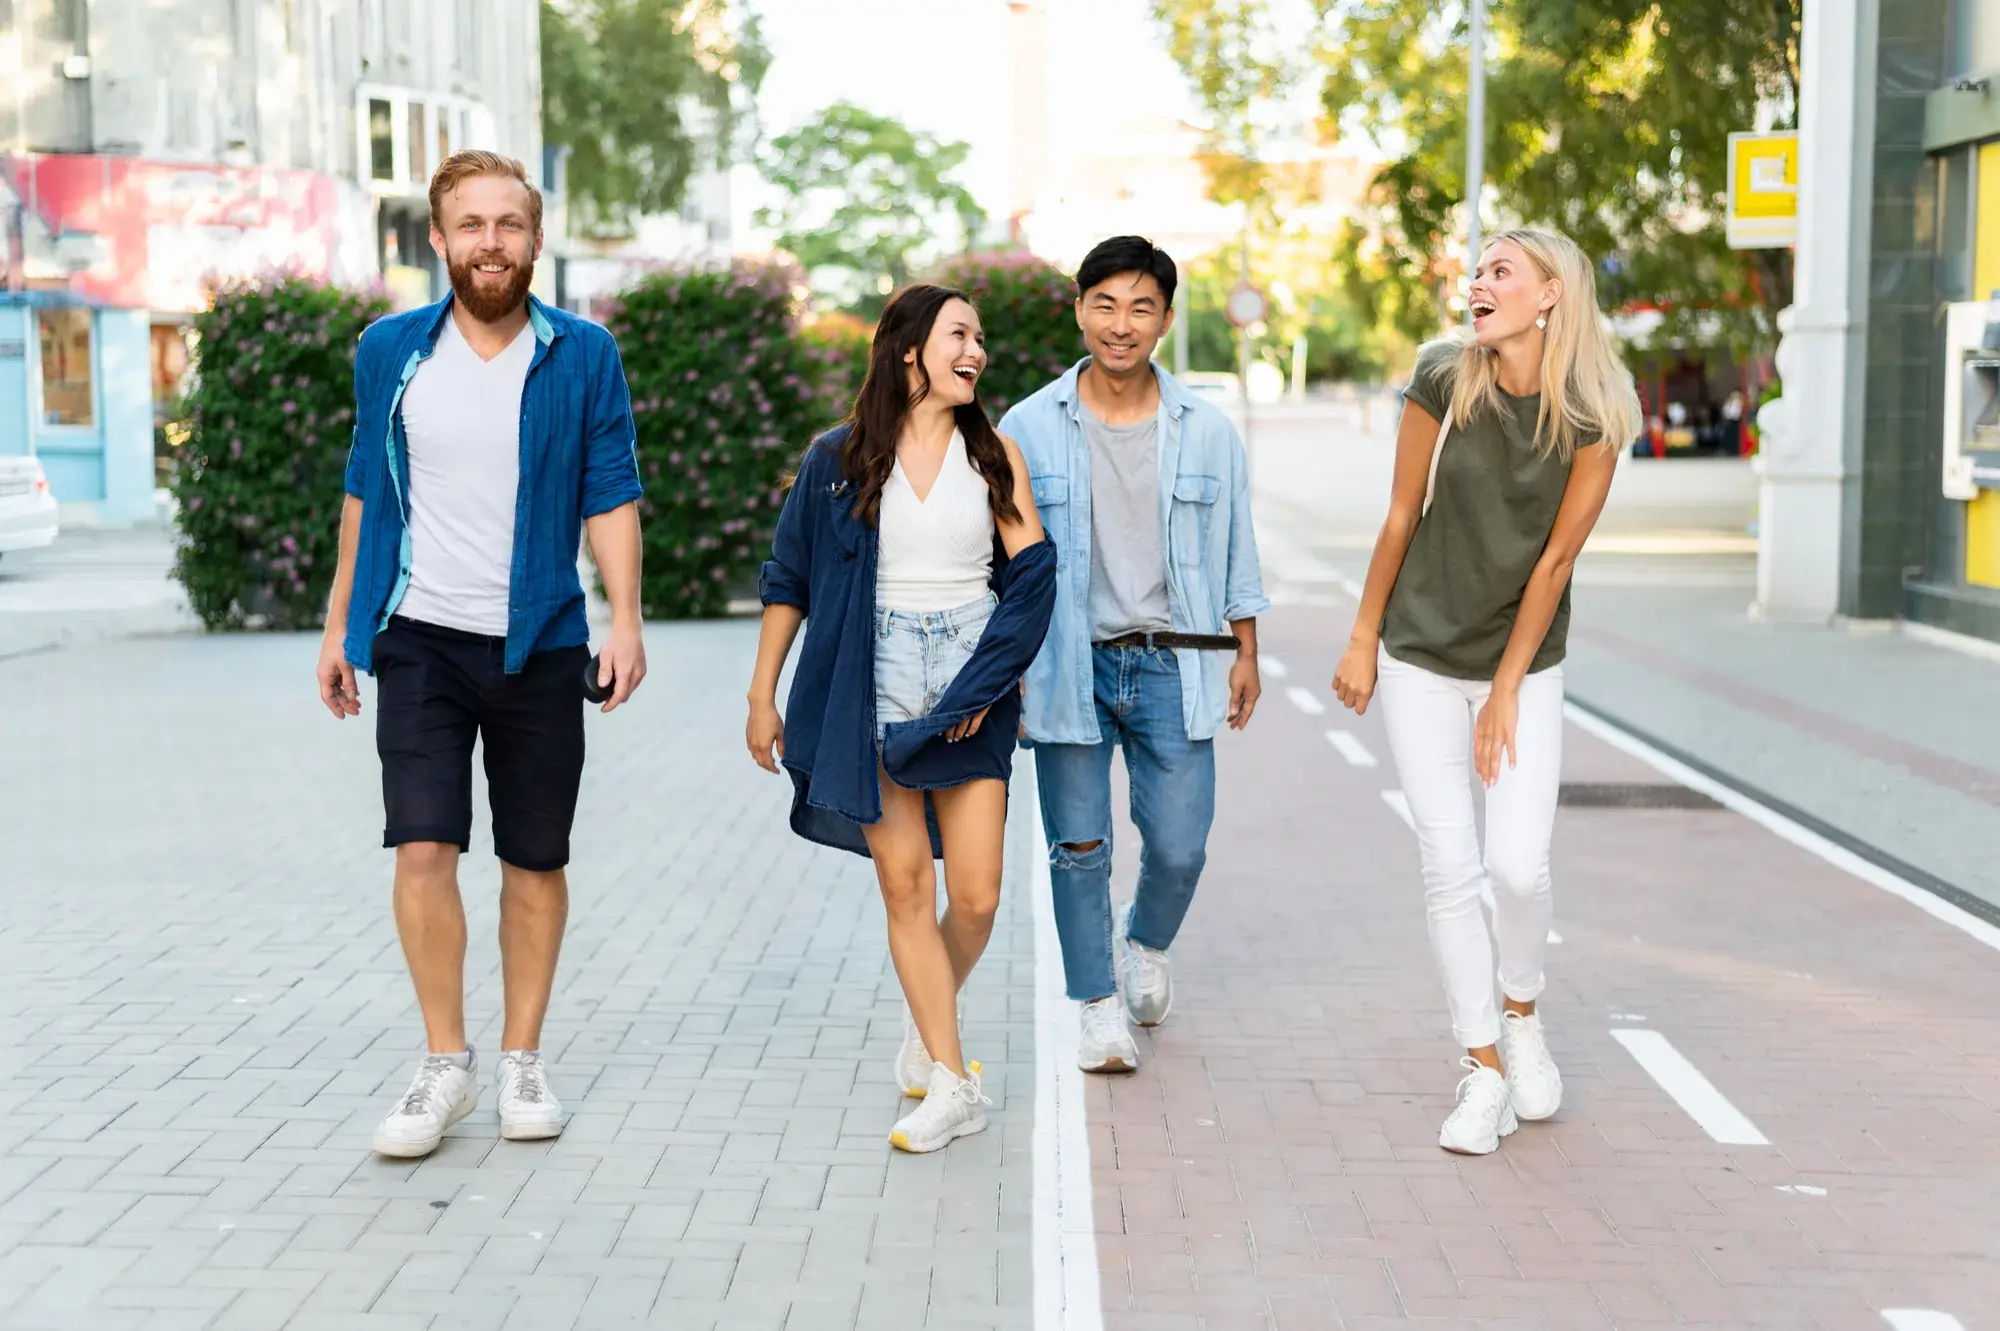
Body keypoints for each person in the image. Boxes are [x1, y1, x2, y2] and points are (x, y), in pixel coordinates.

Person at [316, 150, 648, 1159]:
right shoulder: (389, 349)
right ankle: (443, 1061)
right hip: (416, 636)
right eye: (471, 224)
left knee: (532, 856)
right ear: (438, 238)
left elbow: (609, 487)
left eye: (508, 224)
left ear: (534, 239)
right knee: (423, 843)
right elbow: (363, 491)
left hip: (540, 635)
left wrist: (623, 616)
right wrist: (339, 623)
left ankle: (521, 1057)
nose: (490, 243)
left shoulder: (581, 353)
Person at [1330, 228, 1642, 1155]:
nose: (1478, 283)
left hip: (1525, 663)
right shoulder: (1441, 375)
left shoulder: (1598, 412)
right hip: (1418, 653)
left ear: (1551, 295)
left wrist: (1506, 687)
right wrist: (1360, 636)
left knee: (1518, 865)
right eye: (1478, 271)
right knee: (1447, 863)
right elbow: (1399, 515)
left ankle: (1522, 1012)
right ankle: (1482, 1068)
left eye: (1500, 271)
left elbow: (1554, 564)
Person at [747, 284, 1055, 1154]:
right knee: (907, 886)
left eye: (981, 338)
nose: (978, 350)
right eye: (961, 333)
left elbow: (1031, 575)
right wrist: (761, 692)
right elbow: (789, 580)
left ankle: (929, 1019)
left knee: (981, 895)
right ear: (911, 349)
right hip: (868, 678)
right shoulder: (838, 459)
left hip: (970, 678)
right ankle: (954, 1083)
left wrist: (985, 685)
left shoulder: (993, 454)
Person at [999, 236, 1268, 1074]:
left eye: (1141, 306)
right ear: (1079, 309)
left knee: (1181, 841)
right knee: (1078, 847)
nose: (1122, 324)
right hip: (1065, 662)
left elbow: (1236, 548)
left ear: (1166, 320)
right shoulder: (1026, 427)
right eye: (1106, 304)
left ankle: (1142, 941)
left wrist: (1245, 649)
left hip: (1172, 660)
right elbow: (1001, 564)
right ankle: (1097, 1007)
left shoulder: (1207, 430)